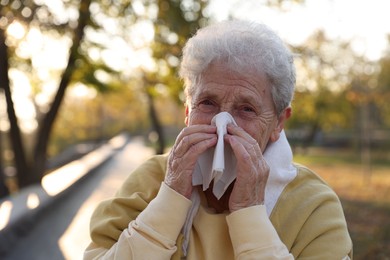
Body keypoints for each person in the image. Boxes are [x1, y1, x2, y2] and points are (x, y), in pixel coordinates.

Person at [84, 20, 352, 259]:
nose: (222, 124)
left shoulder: (314, 206)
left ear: (279, 122)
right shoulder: (150, 181)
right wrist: (170, 199)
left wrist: (249, 213)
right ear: (188, 112)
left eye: (246, 108)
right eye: (208, 103)